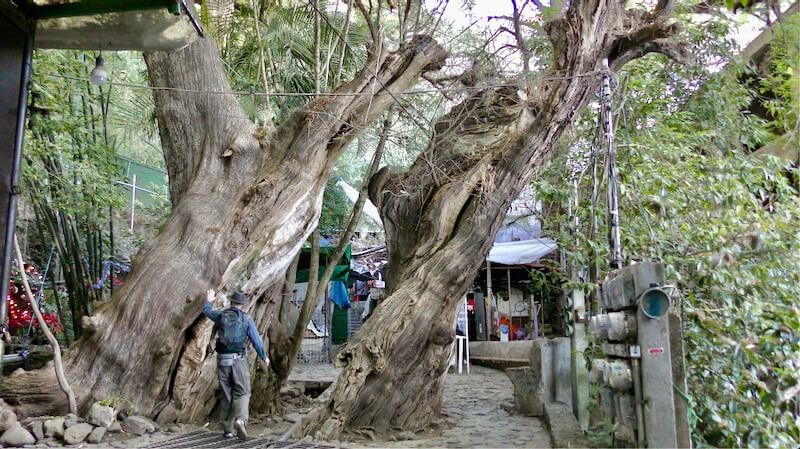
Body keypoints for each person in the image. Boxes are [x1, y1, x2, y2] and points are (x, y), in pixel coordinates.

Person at [204, 289, 269, 440]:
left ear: (231, 303)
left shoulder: (221, 315)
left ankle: (228, 430)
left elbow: (206, 311)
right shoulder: (246, 319)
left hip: (222, 360)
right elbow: (256, 339)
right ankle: (241, 420)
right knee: (243, 391)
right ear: (242, 305)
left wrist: (209, 300)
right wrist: (263, 356)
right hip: (238, 360)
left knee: (226, 394)